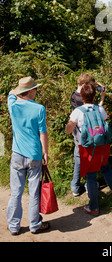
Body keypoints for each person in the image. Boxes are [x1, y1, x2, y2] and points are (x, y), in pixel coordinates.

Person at [66, 81, 112, 214]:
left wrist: (69, 125)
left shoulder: (77, 112)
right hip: (102, 146)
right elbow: (102, 115)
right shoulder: (100, 109)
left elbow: (68, 130)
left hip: (87, 147)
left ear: (82, 96)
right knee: (105, 167)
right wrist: (102, 97)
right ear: (94, 96)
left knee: (90, 175)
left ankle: (94, 206)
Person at [6, 76, 50, 235]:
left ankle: (13, 226)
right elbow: (43, 134)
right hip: (34, 154)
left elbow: (11, 93)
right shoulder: (39, 109)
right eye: (35, 88)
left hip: (17, 154)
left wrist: (18, 91)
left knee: (16, 192)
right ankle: (35, 225)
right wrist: (46, 152)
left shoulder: (13, 104)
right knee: (34, 192)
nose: (37, 90)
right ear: (30, 91)